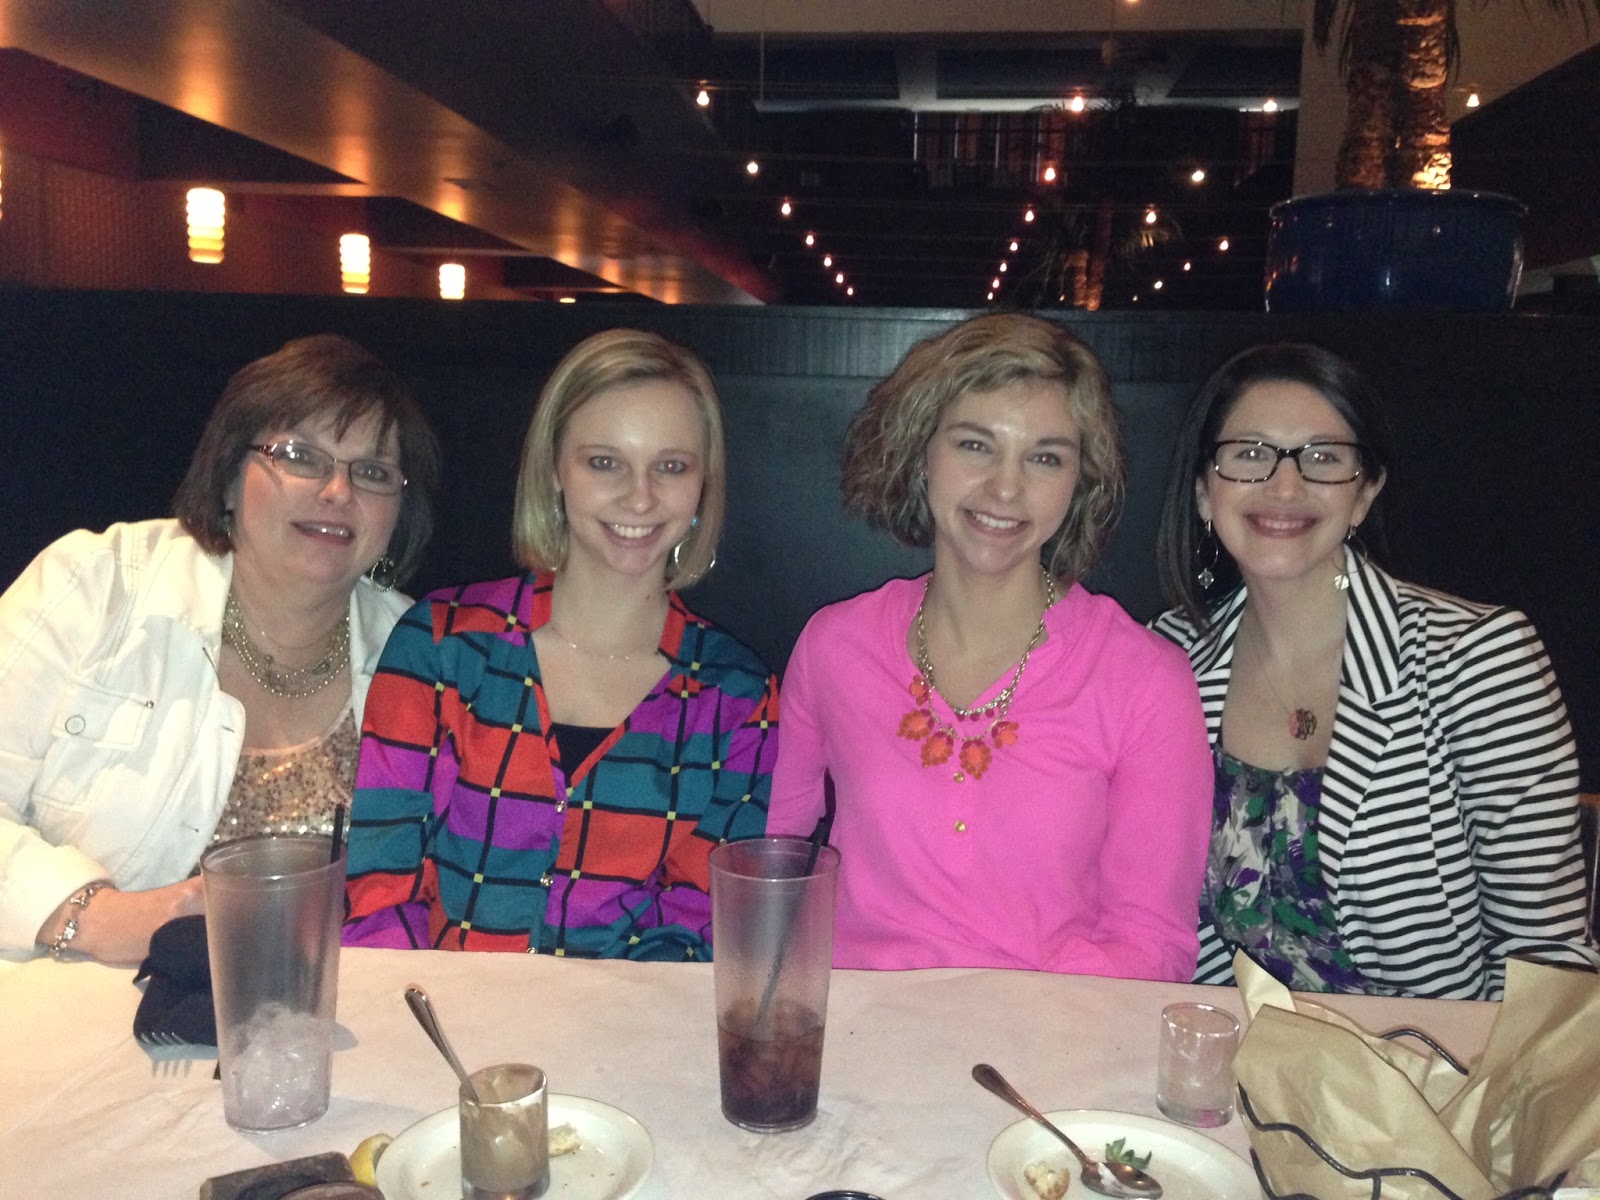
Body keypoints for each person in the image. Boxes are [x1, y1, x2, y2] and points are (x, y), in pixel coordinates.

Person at [767, 313, 1212, 979]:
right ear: (921, 452)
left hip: (1051, 1032)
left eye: (1045, 457)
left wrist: (1019, 1028)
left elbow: (1151, 943)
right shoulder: (834, 647)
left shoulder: (1145, 680)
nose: (1006, 487)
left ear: (1080, 481)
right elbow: (773, 865)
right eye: (976, 445)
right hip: (858, 1022)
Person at [1152, 342, 1596, 1000]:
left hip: (1433, 1054)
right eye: (1249, 454)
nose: (1284, 486)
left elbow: (1546, 955)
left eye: (1323, 458)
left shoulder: (1477, 659)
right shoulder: (1171, 658)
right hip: (1235, 1044)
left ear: (1364, 494)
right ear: (1202, 492)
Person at [0, 334, 441, 965]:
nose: (338, 491)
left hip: (320, 1009)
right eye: (300, 456)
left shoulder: (424, 657)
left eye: (372, 472)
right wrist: (99, 917)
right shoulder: (97, 585)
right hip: (69, 999)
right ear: (230, 476)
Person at [344, 328, 777, 958]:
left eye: (671, 466)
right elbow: (379, 893)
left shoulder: (739, 701)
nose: (640, 496)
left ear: (702, 485)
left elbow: (697, 931)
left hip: (632, 1017)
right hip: (435, 1011)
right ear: (554, 470)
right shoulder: (442, 646)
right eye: (604, 462)